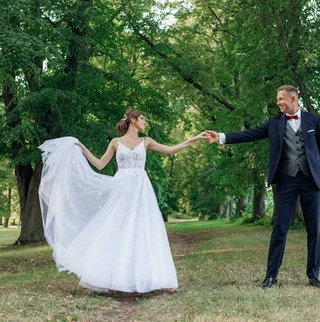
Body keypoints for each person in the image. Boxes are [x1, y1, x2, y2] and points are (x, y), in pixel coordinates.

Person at [38, 109, 207, 293]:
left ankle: (158, 279)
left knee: (145, 230)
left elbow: (171, 150)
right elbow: (100, 164)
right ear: (133, 120)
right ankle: (113, 280)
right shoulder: (115, 142)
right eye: (142, 118)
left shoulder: (146, 141)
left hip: (142, 191)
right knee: (118, 231)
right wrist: (81, 147)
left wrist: (196, 138)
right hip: (121, 190)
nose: (145, 122)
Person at [205, 85, 320, 289]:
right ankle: (271, 276)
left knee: (314, 229)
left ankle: (313, 275)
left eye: (281, 99)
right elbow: (250, 134)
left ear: (293, 98)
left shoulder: (314, 120)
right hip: (286, 181)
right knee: (279, 228)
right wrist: (220, 137)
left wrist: (312, 163)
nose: (279, 102)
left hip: (311, 182)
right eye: (277, 99)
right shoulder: (274, 123)